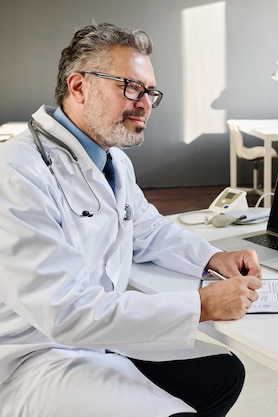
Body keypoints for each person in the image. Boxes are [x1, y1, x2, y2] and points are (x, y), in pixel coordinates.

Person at [0, 23, 264, 417]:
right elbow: (65, 312)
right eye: (130, 86)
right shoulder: (16, 173)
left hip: (98, 336)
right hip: (33, 355)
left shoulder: (114, 162)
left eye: (150, 92)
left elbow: (149, 229)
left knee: (225, 372)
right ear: (78, 87)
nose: (145, 103)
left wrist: (213, 258)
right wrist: (200, 305)